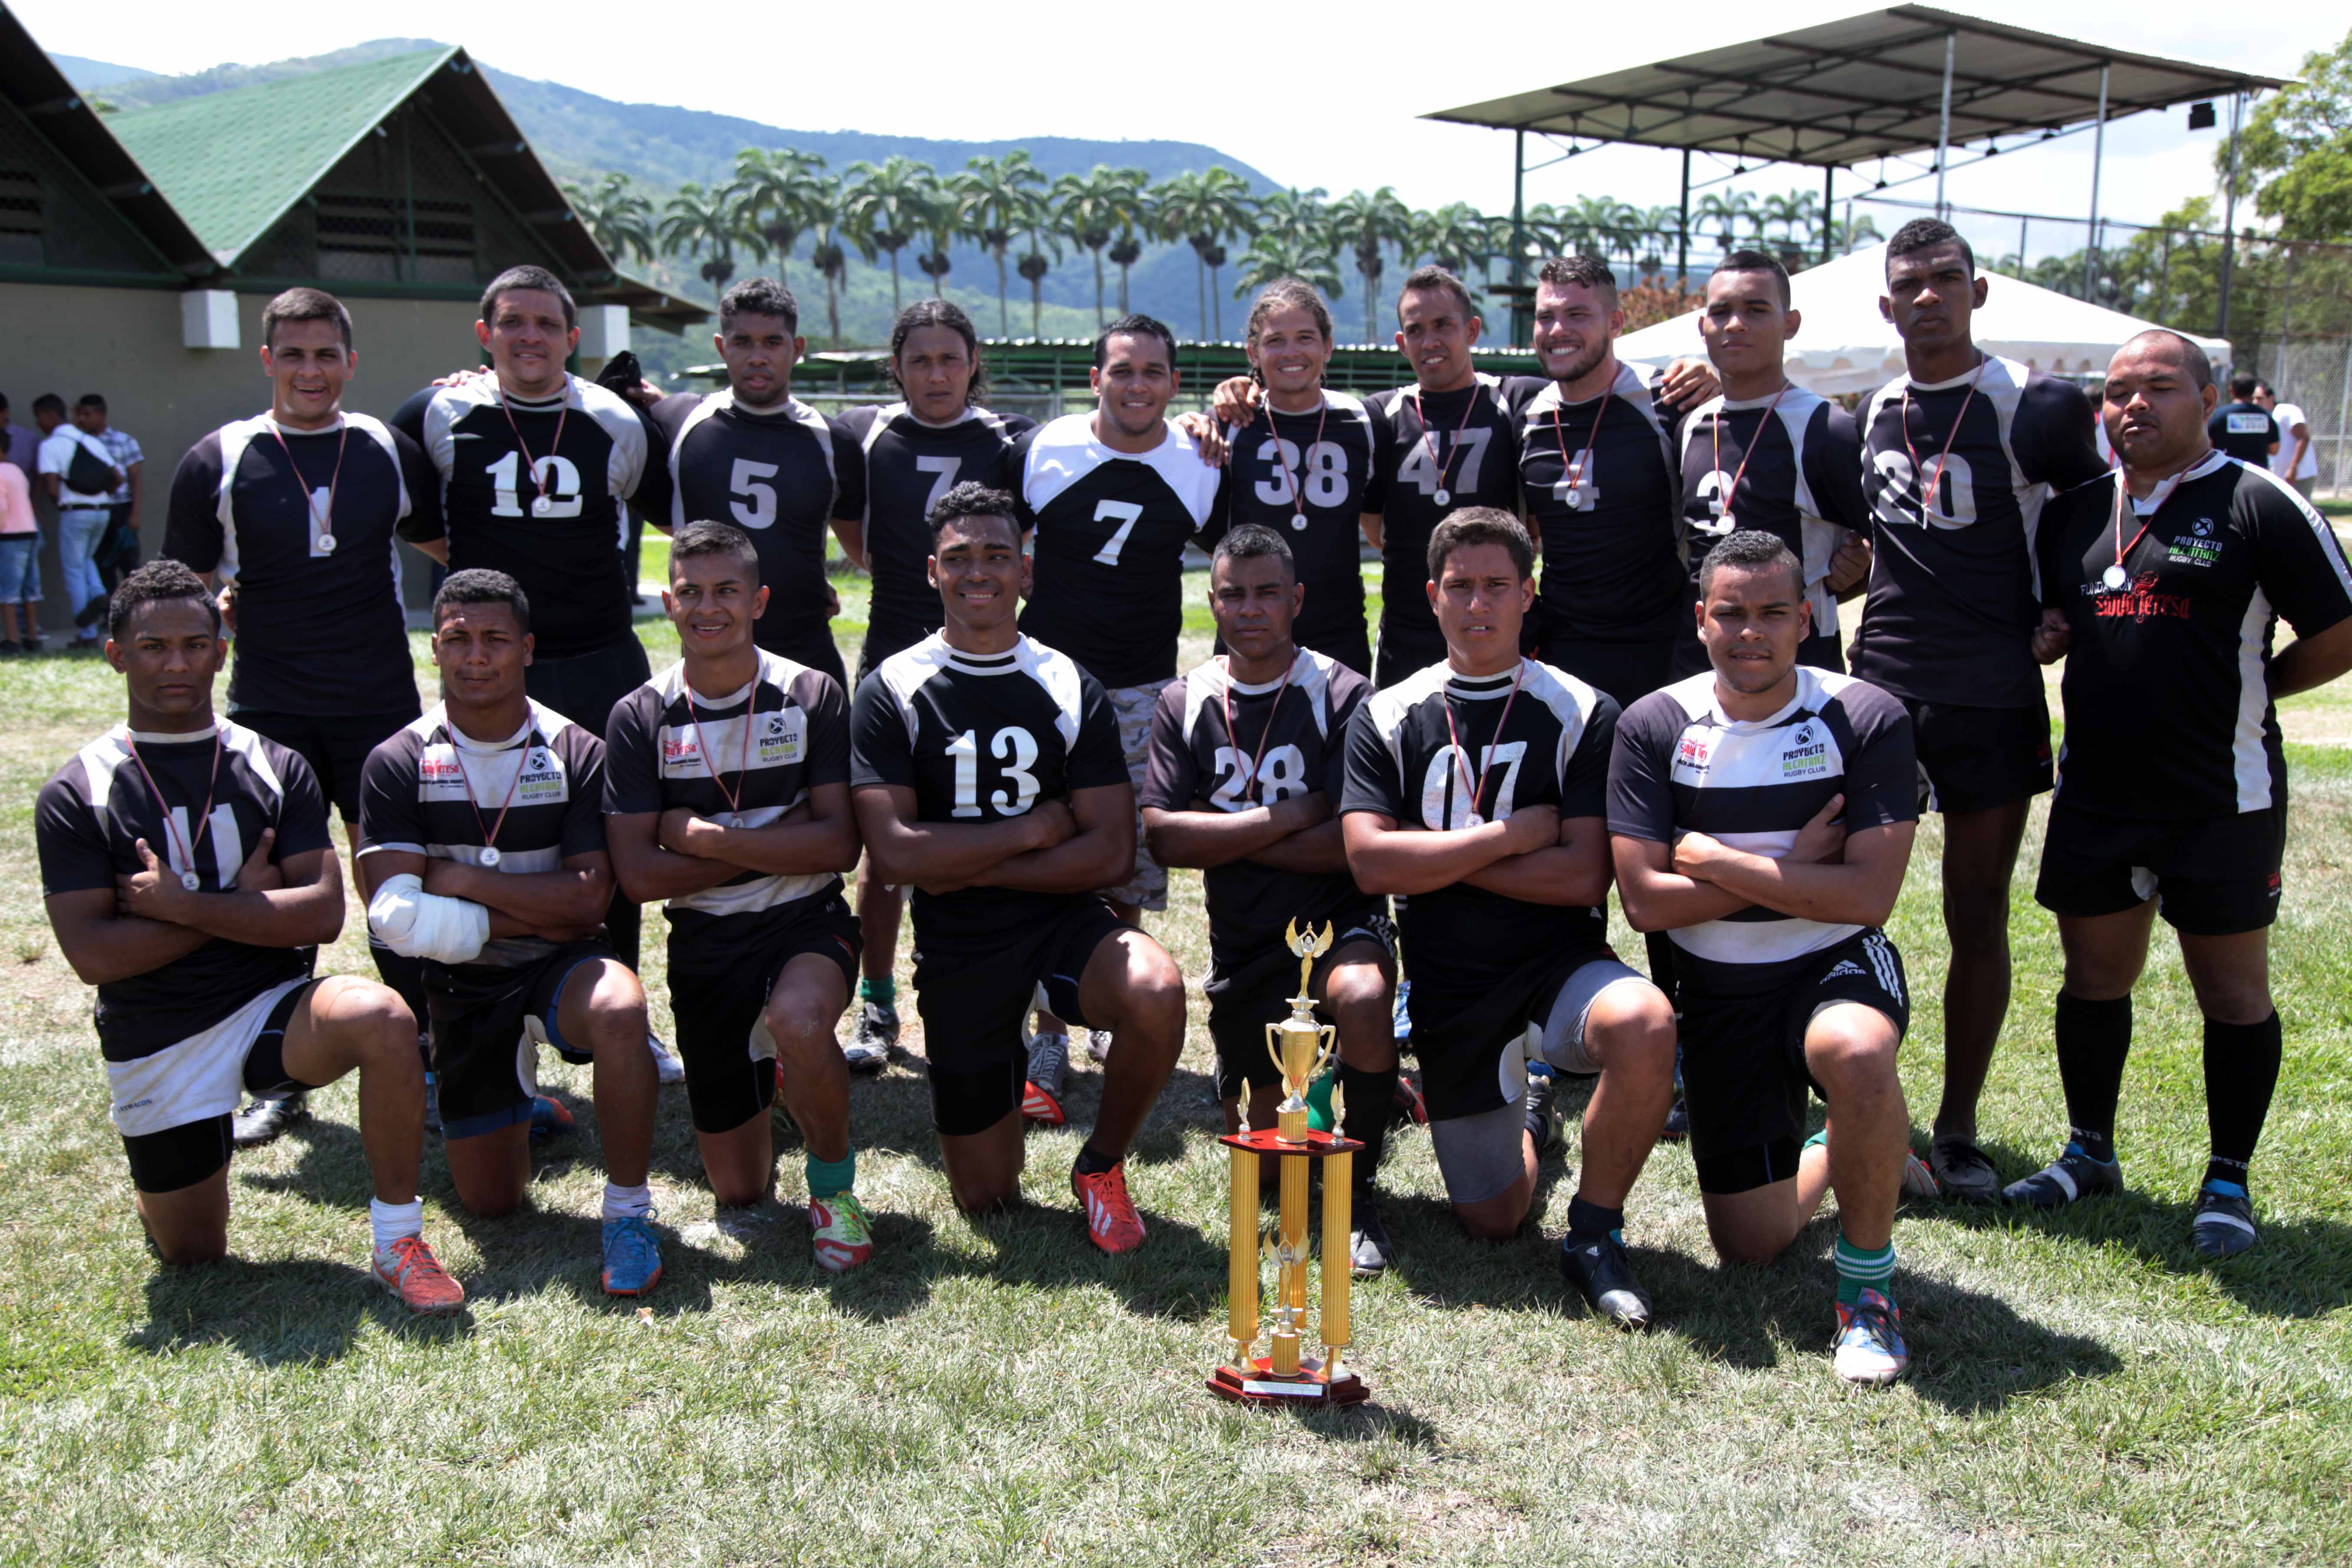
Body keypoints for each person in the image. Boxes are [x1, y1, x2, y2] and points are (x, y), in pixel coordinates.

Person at [34, 561, 462, 1312]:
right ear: (115, 654)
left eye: (196, 644)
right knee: (195, 1253)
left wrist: (178, 907)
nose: (177, 663)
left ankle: (399, 1238)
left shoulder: (273, 764)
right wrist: (244, 905)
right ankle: (165, 1189)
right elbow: (94, 955)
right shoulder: (80, 790)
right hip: (157, 1029)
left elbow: (323, 912)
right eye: (154, 646)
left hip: (272, 1006)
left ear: (222, 650)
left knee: (385, 1016)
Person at [2009, 330, 2352, 1259]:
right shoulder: (2074, 510)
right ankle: (2087, 1150)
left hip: (2218, 795)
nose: (2132, 405)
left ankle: (2226, 1176)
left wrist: (2259, 685)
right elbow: (2059, 614)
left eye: (2158, 387)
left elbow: (2338, 628)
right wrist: (2049, 632)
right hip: (2094, 794)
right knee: (2090, 979)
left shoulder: (2256, 502)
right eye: (2116, 390)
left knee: (2231, 993)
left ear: (2205, 398)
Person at [1340, 508, 1679, 1326]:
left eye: (1497, 585)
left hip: (1558, 965)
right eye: (1460, 586)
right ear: (1430, 595)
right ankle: (1532, 1111)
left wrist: (1443, 859)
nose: (1477, 603)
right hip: (1450, 982)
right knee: (1491, 1222)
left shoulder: (1584, 709)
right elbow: (1370, 863)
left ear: (1528, 594)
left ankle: (1594, 1233)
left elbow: (1581, 875)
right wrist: (1507, 837)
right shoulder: (1389, 713)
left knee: (1646, 1020)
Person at [1611, 529, 1922, 1385]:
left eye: (1773, 612)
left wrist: (1712, 860)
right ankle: (1866, 1141)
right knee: (1751, 1244)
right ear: (1700, 616)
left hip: (1833, 962)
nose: (1751, 632)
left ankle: (1865, 1294)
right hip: (1713, 990)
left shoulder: (1862, 713)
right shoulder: (1653, 723)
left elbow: (1865, 898)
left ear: (1807, 615)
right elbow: (1642, 900)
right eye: (1731, 612)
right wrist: (1797, 864)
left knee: (1854, 1051)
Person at [849, 482, 1187, 1252]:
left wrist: (961, 861)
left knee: (1158, 990)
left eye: (996, 556)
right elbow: (897, 854)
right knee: (985, 1197)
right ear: (930, 572)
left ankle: (1100, 1165)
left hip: (1060, 921)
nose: (979, 572)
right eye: (959, 557)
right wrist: (1036, 828)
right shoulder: (892, 688)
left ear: (1024, 571)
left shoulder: (1067, 682)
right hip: (960, 943)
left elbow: (1110, 851)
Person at [1848, 218, 2108, 1203]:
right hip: (1880, 690)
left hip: (1989, 691)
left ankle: (1953, 1127)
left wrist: (2059, 600)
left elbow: (2092, 506)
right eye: (1906, 284)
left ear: (1977, 290)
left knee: (1973, 912)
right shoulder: (1868, 409)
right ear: (1883, 303)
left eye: (1943, 279)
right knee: (1833, 899)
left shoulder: (2027, 403)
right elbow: (1850, 525)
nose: (1925, 297)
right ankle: (1834, 1092)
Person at [164, 286, 444, 1147]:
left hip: (377, 705)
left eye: (326, 353)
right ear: (267, 360)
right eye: (294, 354)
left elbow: (448, 544)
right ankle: (278, 1071)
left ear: (350, 361)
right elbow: (177, 588)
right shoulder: (219, 456)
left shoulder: (385, 449)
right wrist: (213, 605)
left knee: (394, 883)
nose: (311, 370)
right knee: (278, 894)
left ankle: (428, 1056)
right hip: (270, 707)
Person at [393, 265, 679, 1082]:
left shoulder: (612, 419)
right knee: (480, 835)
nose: (530, 338)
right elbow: (415, 516)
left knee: (615, 841)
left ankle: (619, 1011)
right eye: (512, 323)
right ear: (485, 336)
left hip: (599, 657)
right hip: (495, 665)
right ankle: (490, 1022)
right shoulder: (438, 411)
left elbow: (665, 507)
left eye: (546, 325)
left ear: (572, 337)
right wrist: (486, 586)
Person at [356, 570, 665, 1295]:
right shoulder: (398, 759)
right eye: (458, 639)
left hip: (564, 962)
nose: (476, 655)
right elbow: (396, 916)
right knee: (493, 1204)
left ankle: (627, 1213)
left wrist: (458, 880)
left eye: (495, 639)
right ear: (433, 649)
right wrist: (531, 904)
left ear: (526, 649)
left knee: (621, 1009)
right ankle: (523, 1099)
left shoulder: (576, 751)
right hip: (464, 985)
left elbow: (589, 904)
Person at [604, 521, 875, 1271]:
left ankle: (833, 1188)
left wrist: (706, 839)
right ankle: (785, 1067)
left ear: (758, 600)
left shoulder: (810, 692)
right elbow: (640, 878)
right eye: (691, 591)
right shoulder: (640, 714)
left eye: (727, 590)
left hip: (806, 918)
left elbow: (836, 847)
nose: (708, 606)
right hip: (705, 941)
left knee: (798, 1014)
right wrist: (769, 840)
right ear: (668, 601)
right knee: (740, 1191)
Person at [1140, 525, 1403, 1272]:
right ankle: (1321, 1091)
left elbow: (1347, 842)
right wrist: (1290, 814)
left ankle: (1364, 1187)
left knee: (1359, 998)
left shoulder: (1346, 692)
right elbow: (1163, 838)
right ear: (1213, 601)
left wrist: (1224, 832)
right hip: (1247, 943)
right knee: (1265, 1172)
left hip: (1338, 919)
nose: (1248, 608)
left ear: (1296, 599)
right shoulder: (1184, 699)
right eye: (1231, 594)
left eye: (1265, 593)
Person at [827, 300, 1035, 1071]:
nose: (936, 374)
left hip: (984, 655)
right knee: (887, 847)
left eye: (951, 359)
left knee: (994, 821)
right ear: (898, 367)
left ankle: (1016, 991)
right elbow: (857, 543)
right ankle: (878, 1005)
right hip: (894, 651)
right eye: (920, 360)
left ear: (974, 362)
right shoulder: (861, 433)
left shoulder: (1010, 440)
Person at [1012, 313, 1219, 1066]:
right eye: (1122, 371)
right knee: (1048, 841)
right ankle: (1047, 1029)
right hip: (1046, 683)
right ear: (1095, 378)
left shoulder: (1200, 461)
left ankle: (1105, 1000)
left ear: (1172, 382)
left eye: (1154, 372)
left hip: (1140, 686)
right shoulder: (1043, 448)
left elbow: (1235, 554)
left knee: (1121, 854)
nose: (1138, 385)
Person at [1513, 255, 1701, 711]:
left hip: (1659, 654)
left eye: (1577, 314)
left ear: (1615, 322)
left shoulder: (1668, 400)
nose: (1558, 329)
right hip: (1563, 660)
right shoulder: (1525, 416)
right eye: (1545, 317)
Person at [650, 277, 855, 689]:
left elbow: (859, 546)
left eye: (772, 343)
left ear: (797, 349)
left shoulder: (833, 440)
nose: (757, 357)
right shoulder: (675, 421)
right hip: (707, 653)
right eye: (743, 342)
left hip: (806, 650)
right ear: (721, 347)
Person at [1674, 251, 1872, 676]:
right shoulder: (1689, 425)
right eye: (1721, 311)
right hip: (1699, 666)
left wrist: (1851, 572)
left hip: (1798, 671)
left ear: (1790, 323)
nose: (1735, 324)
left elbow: (1883, 552)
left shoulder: (1827, 428)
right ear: (1701, 326)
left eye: (1755, 309)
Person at [1199, 280, 1385, 677]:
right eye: (1275, 341)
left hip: (1339, 633)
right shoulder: (1232, 422)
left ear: (1328, 347)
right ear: (1253, 352)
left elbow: (1377, 523)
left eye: (1305, 338)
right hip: (1247, 633)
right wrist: (1189, 419)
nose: (1291, 353)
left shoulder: (1363, 420)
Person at [35, 392, 125, 647]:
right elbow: (118, 479)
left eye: (39, 418)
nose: (39, 425)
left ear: (50, 416)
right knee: (86, 560)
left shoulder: (50, 446)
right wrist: (97, 494)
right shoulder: (91, 442)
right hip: (102, 510)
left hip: (75, 512)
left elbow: (52, 488)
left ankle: (86, 632)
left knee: (73, 569)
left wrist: (66, 503)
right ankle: (98, 595)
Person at [74, 395, 145, 594]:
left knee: (130, 563)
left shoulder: (123, 441)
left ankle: (137, 612)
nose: (83, 419)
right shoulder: (81, 443)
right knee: (102, 563)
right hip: (96, 509)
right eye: (80, 415)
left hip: (121, 508)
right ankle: (110, 615)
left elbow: (136, 479)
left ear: (102, 415)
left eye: (88, 414)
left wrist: (135, 513)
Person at [0, 445, 42, 652]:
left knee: (7, 592)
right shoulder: (16, 470)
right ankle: (33, 637)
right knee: (30, 590)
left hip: (9, 537)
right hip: (30, 532)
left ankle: (12, 639)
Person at [2253, 382, 2318, 500]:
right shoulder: (2266, 417)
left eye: (2259, 398)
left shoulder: (2285, 410)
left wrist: (2293, 468)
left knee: (2300, 516)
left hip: (2299, 475)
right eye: (2254, 399)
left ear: (2271, 398)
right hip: (2280, 477)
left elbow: (2304, 437)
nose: (2255, 402)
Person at [2207, 372, 2279, 468]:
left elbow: (2208, 448)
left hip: (2225, 474)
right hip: (2257, 476)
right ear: (2253, 392)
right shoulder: (2266, 417)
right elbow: (2274, 450)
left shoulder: (2217, 416)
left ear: (2232, 391)